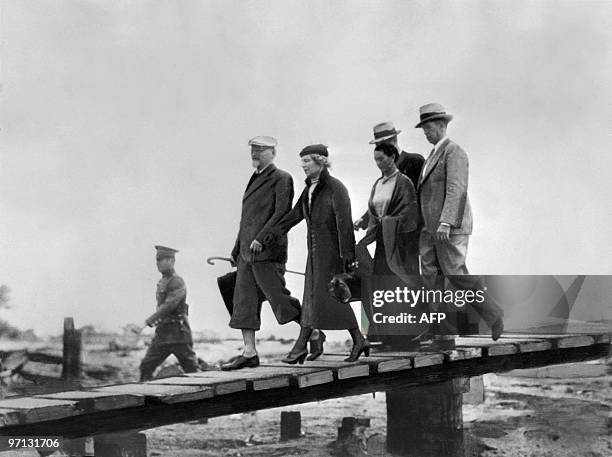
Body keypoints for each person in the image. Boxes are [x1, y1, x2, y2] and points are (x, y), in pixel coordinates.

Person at [266, 144, 369, 363]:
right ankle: (358, 339)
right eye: (301, 161)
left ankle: (301, 346)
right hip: (314, 256)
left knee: (328, 298)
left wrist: (348, 255)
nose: (302, 165)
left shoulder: (336, 188)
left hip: (332, 255)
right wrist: (270, 235)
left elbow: (344, 224)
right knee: (317, 298)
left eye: (306, 161)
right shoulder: (309, 189)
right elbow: (294, 216)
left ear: (320, 161)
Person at [415, 103, 504, 349]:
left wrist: (446, 221)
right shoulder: (432, 155)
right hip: (430, 230)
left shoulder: (454, 152)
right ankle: (442, 336)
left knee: (455, 274)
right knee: (431, 279)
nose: (426, 132)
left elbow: (456, 189)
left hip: (449, 228)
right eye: (424, 129)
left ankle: (492, 313)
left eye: (429, 128)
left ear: (442, 125)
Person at [221, 136, 303, 370]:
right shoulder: (253, 179)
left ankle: (313, 333)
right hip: (248, 253)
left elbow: (281, 214)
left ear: (273, 152)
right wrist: (237, 249)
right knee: (244, 302)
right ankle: (249, 353)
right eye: (253, 151)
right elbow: (246, 220)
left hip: (267, 252)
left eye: (260, 150)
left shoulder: (282, 178)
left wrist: (261, 239)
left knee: (279, 298)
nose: (255, 154)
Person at [357, 142, 426, 349]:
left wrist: (388, 221)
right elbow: (373, 211)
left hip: (401, 244)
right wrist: (368, 225)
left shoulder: (404, 182)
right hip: (382, 243)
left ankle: (407, 336)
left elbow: (409, 212)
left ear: (393, 157)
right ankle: (388, 337)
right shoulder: (378, 184)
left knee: (400, 286)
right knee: (382, 286)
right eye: (376, 160)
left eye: (382, 159)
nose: (378, 164)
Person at [139, 245, 199, 381]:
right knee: (146, 366)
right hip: (163, 334)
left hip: (178, 333)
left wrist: (145, 323)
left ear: (171, 261)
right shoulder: (162, 282)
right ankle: (145, 396)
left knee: (192, 369)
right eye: (157, 260)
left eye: (162, 260)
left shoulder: (177, 281)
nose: (158, 263)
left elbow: (168, 306)